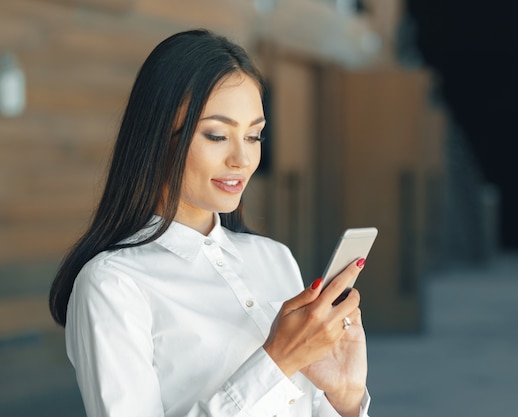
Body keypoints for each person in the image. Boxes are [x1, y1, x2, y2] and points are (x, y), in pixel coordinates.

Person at [48, 29, 371, 417]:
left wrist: (347, 399)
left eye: (254, 136)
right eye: (217, 135)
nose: (242, 159)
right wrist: (277, 362)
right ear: (157, 136)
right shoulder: (113, 283)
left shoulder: (274, 259)